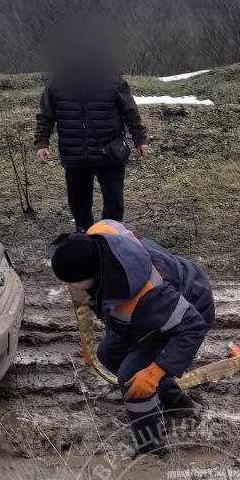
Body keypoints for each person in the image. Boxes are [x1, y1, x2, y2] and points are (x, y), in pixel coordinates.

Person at [50, 221, 215, 457]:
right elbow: (109, 304)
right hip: (157, 313)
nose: (67, 285)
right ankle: (175, 402)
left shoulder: (149, 297)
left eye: (71, 281)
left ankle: (152, 451)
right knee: (108, 354)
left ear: (92, 274)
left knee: (132, 379)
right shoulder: (100, 236)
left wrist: (154, 372)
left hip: (188, 311)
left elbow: (192, 327)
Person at [34, 32, 148, 231]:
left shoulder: (113, 79)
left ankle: (111, 239)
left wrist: (140, 139)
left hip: (109, 153)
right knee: (79, 208)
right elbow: (46, 114)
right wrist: (42, 143)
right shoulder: (57, 82)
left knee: (114, 206)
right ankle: (85, 240)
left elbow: (130, 110)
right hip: (75, 154)